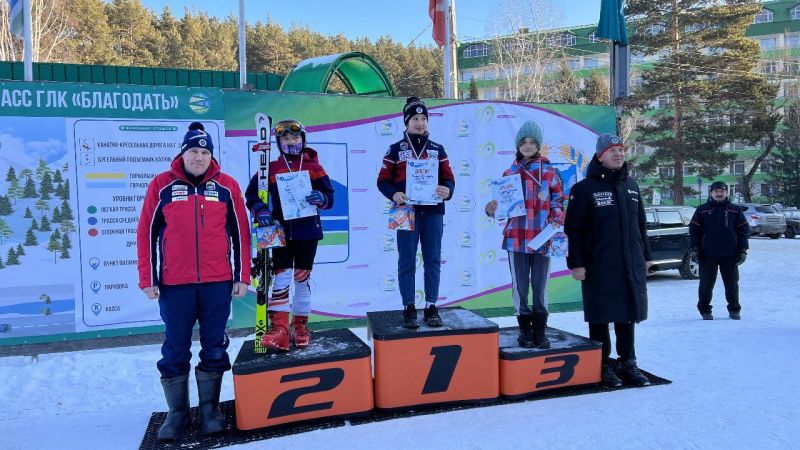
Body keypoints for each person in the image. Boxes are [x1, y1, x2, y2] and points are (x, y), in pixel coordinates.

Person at [137, 122, 251, 440]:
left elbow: (241, 233)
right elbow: (146, 232)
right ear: (182, 154)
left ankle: (210, 409)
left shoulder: (226, 186)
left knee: (214, 346)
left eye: (204, 152)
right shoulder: (162, 185)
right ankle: (177, 413)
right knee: (175, 348)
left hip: (217, 282)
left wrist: (242, 275)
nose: (199, 158)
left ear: (211, 156)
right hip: (175, 285)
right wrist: (148, 278)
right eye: (193, 152)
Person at [564, 133, 653, 388]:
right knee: (600, 315)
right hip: (599, 264)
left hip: (630, 262)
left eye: (621, 150)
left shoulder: (631, 186)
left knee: (627, 313)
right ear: (600, 156)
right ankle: (602, 364)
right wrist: (576, 263)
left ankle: (627, 362)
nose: (618, 154)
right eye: (612, 150)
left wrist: (646, 257)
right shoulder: (584, 189)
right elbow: (574, 229)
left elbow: (641, 224)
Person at [245, 118, 334, 351]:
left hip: (307, 231)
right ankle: (280, 328)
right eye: (285, 138)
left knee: (302, 278)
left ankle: (300, 325)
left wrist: (322, 198)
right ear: (278, 142)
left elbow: (330, 197)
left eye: (295, 137)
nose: (291, 141)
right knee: (282, 277)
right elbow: (251, 195)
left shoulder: (314, 167)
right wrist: (261, 210)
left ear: (303, 139)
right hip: (280, 231)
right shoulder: (271, 168)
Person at [484, 120, 564, 348]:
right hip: (516, 238)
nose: (528, 146)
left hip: (542, 238)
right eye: (523, 142)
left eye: (532, 142)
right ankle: (525, 330)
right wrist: (491, 209)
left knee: (540, 286)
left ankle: (540, 329)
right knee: (519, 287)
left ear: (539, 145)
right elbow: (501, 207)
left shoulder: (549, 172)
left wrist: (556, 220)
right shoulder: (509, 172)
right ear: (518, 145)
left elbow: (559, 201)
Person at [377, 96, 456, 328]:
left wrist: (447, 191)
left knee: (433, 259)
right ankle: (409, 306)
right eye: (415, 119)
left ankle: (431, 305)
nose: (420, 123)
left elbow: (449, 179)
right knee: (407, 259)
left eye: (423, 119)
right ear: (406, 122)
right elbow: (382, 181)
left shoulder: (437, 149)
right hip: (405, 211)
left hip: (433, 211)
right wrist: (394, 194)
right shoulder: (395, 149)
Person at [689, 181, 749, 320]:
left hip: (730, 254)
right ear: (711, 193)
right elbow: (694, 230)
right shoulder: (702, 210)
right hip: (707, 254)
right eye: (716, 191)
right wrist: (694, 248)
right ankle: (705, 311)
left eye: (722, 191)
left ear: (726, 193)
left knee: (732, 285)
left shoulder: (735, 210)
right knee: (705, 285)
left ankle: (734, 310)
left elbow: (743, 230)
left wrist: (743, 249)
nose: (719, 194)